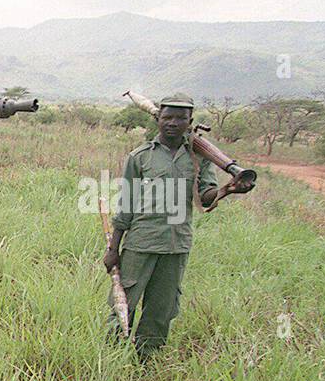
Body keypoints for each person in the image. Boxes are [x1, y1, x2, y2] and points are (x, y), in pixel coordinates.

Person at [103, 93, 251, 359]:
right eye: (167, 117)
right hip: (141, 241)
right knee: (123, 303)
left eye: (180, 118)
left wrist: (229, 188)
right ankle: (111, 356)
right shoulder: (140, 157)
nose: (172, 123)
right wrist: (113, 248)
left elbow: (205, 195)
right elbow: (126, 205)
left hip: (176, 244)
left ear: (190, 121)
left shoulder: (199, 157)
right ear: (158, 119)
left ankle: (146, 360)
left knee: (162, 308)